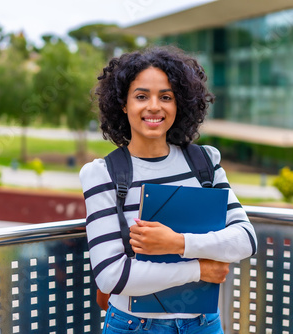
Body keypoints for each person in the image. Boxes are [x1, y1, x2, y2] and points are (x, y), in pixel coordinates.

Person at [79, 46, 257, 333]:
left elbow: (245, 239)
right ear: (123, 104)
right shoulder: (103, 174)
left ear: (180, 104)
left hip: (203, 324)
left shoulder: (204, 163)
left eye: (166, 97)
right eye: (141, 96)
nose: (154, 106)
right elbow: (111, 276)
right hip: (134, 326)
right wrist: (198, 269)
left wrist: (178, 243)